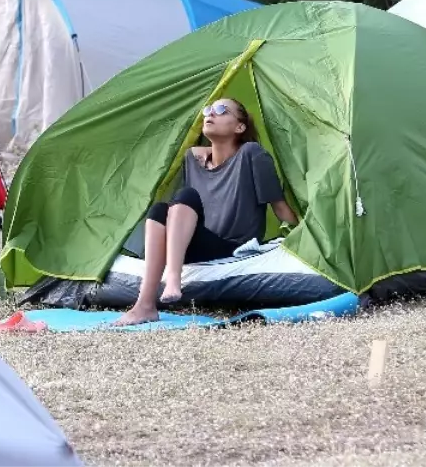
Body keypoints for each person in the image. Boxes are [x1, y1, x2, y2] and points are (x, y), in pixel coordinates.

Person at [114, 98, 299, 326]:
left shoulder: (252, 154)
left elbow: (280, 208)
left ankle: (173, 278)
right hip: (194, 244)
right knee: (160, 209)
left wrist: (300, 241)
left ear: (239, 127)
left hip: (232, 247)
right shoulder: (192, 158)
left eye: (221, 110)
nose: (211, 114)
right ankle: (144, 305)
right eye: (208, 110)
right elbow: (181, 214)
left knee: (185, 196)